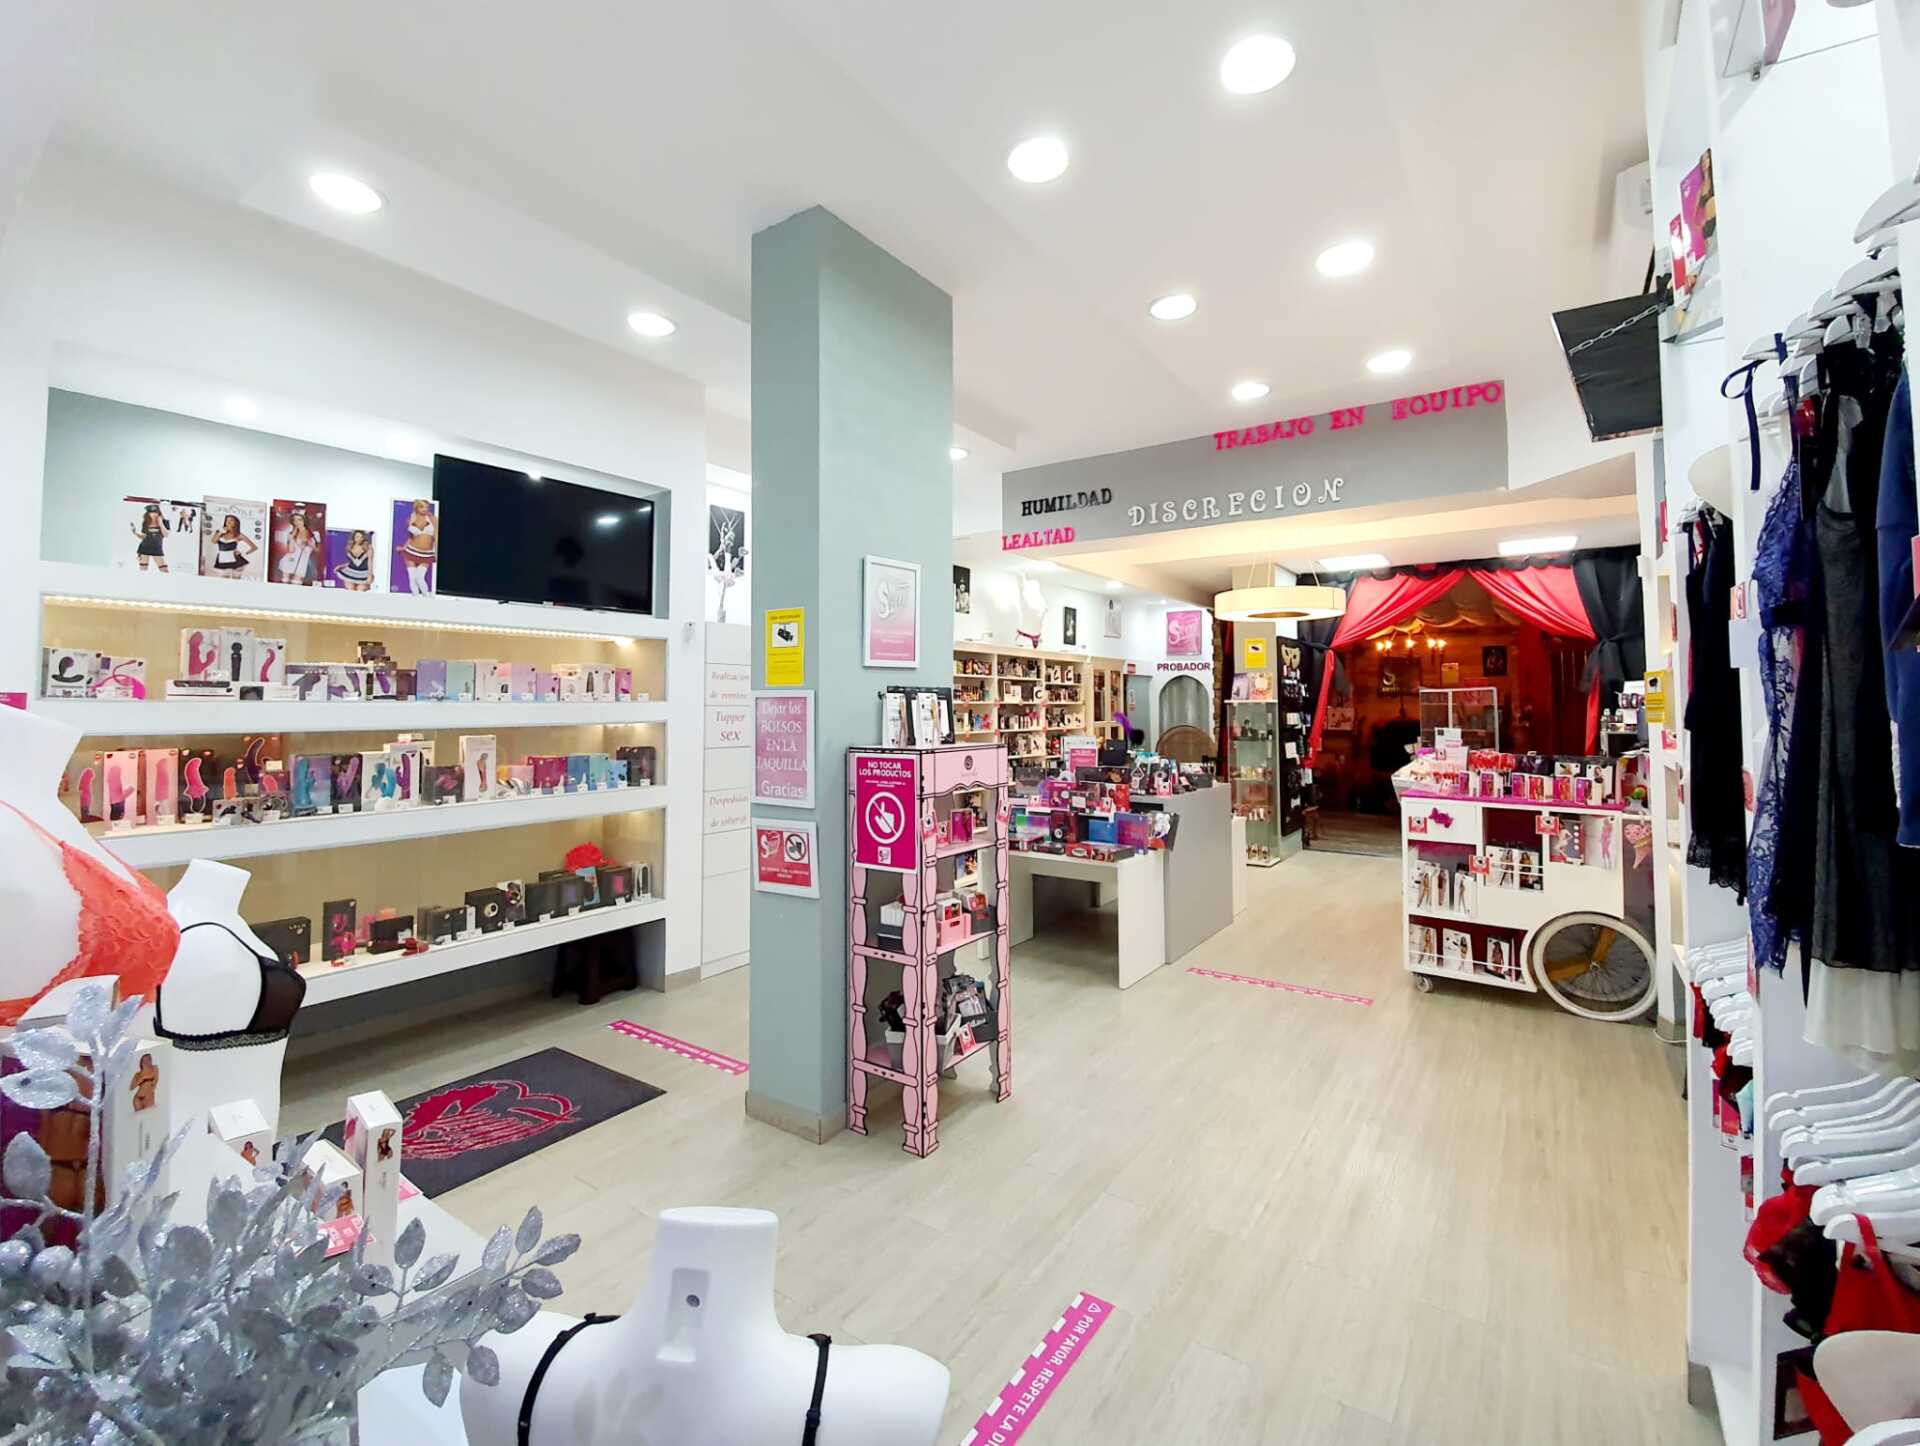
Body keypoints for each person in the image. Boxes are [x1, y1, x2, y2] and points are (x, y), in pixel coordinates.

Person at [397, 500, 436, 594]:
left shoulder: (432, 519)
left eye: (426, 507)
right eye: (422, 507)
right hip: (411, 551)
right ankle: (415, 598)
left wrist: (436, 553)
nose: (425, 509)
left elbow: (436, 537)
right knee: (412, 578)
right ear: (416, 508)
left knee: (419, 577)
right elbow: (411, 537)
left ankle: (427, 598)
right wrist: (404, 548)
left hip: (426, 554)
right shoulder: (411, 519)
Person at [277, 509, 318, 585]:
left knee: (297, 583)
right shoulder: (290, 534)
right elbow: (291, 550)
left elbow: (317, 550)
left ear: (305, 521)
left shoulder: (314, 535)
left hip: (302, 563)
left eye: (300, 520)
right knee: (285, 582)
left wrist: (311, 545)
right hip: (290, 560)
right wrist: (292, 538)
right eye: (294, 520)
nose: (297, 522)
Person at [132, 503, 168, 571]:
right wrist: (135, 533)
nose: (154, 514)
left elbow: (166, 535)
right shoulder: (145, 523)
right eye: (151, 513)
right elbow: (144, 537)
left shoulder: (165, 522)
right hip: (144, 548)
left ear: (159, 512)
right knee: (143, 570)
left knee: (164, 570)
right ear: (148, 513)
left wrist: (160, 523)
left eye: (155, 512)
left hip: (157, 549)